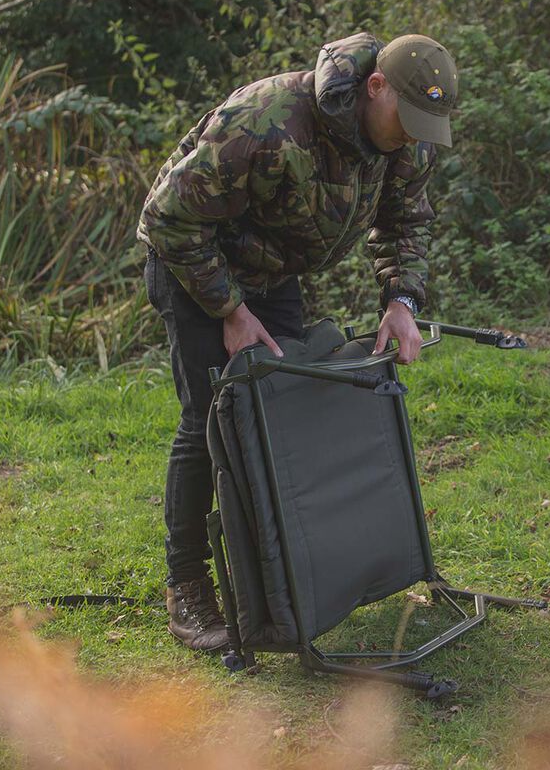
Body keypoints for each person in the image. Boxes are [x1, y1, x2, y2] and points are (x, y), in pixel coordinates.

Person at [136, 32, 458, 651]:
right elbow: (167, 217)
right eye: (409, 118)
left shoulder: (405, 142)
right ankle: (188, 584)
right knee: (210, 417)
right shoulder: (267, 119)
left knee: (278, 412)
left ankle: (277, 581)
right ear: (375, 87)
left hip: (272, 270)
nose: (415, 135)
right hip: (194, 263)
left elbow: (405, 220)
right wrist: (228, 309)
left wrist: (402, 300)